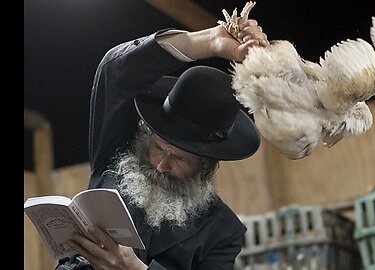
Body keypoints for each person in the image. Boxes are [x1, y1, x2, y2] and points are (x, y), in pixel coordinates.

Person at [55, 14, 270, 270]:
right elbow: (115, 73)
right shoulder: (117, 152)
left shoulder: (223, 233)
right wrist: (209, 41)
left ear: (206, 167)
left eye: (180, 158)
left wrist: (133, 268)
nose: (161, 166)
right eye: (158, 148)